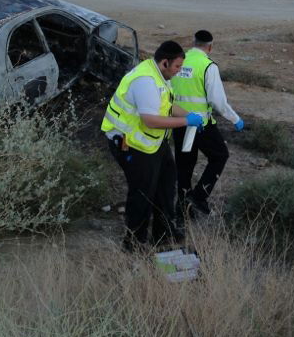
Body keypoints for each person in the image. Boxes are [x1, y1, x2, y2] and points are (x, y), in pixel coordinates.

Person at [101, 40, 204, 252]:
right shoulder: (145, 81)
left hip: (152, 141)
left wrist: (190, 115)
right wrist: (186, 122)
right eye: (177, 66)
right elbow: (150, 120)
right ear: (165, 62)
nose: (179, 71)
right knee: (143, 192)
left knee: (167, 183)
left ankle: (164, 234)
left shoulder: (160, 75)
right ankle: (134, 243)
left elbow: (166, 105)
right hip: (131, 144)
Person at [170, 30, 244, 218]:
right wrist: (235, 119)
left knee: (185, 166)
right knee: (220, 156)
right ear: (210, 47)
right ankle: (199, 197)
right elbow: (218, 101)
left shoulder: (179, 61)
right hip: (200, 126)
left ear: (193, 43)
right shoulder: (208, 66)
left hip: (179, 123)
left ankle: (183, 210)